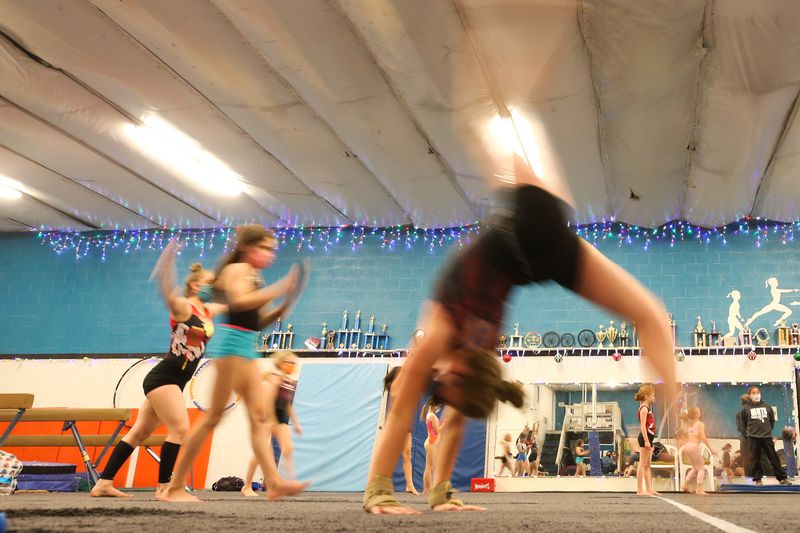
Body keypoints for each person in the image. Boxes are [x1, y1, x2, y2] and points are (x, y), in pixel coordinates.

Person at [362, 155, 676, 514]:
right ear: (461, 372)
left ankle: (508, 129)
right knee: (647, 312)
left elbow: (415, 415)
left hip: (536, 244)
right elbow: (425, 416)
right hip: (533, 243)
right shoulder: (459, 347)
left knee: (648, 311)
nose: (444, 387)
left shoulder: (450, 340)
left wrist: (405, 493)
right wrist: (399, 493)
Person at [159, 225, 308, 502]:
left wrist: (284, 305)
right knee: (214, 416)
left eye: (272, 249)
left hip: (246, 348)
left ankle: (274, 482)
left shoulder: (253, 275)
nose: (270, 254)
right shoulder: (236, 269)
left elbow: (259, 320)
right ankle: (175, 487)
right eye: (265, 248)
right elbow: (239, 302)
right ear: (247, 248)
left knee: (260, 418)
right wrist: (281, 286)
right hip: (231, 346)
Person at [92, 245, 225, 497]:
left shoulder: (208, 311)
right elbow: (168, 293)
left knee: (140, 431)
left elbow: (232, 300)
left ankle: (104, 483)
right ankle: (165, 487)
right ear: (196, 286)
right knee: (180, 429)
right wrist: (166, 267)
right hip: (165, 377)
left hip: (176, 380)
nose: (214, 287)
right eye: (209, 283)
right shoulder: (184, 308)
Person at [242, 351, 303, 496]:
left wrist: (296, 422)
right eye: (289, 363)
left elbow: (287, 404)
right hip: (268, 419)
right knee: (260, 455)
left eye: (294, 363)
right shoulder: (274, 377)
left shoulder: (289, 381)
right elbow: (268, 398)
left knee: (288, 450)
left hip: (280, 421)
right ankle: (247, 486)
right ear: (281, 364)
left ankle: (291, 481)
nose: (292, 366)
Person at [739, 386, 791, 486]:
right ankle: (758, 480)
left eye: (758, 392)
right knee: (755, 459)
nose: (756, 394)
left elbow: (771, 421)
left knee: (774, 458)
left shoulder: (767, 407)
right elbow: (744, 423)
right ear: (750, 395)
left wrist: (767, 431)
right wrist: (751, 433)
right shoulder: (745, 409)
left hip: (766, 437)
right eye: (754, 393)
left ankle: (782, 479)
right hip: (753, 437)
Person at [382, 367, 419, 495]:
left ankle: (409, 485)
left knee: (407, 454)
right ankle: (379, 484)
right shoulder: (394, 388)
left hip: (405, 422)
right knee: (388, 455)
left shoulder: (405, 388)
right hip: (395, 422)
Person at [679, 407, 717, 495]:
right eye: (698, 410)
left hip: (687, 446)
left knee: (695, 468)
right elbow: (703, 437)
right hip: (693, 446)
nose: (700, 411)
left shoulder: (690, 425)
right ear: (697, 414)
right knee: (701, 468)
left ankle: (685, 484)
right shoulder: (700, 424)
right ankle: (699, 489)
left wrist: (684, 450)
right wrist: (711, 448)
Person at [635, 384, 658, 496]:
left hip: (649, 437)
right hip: (645, 438)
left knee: (647, 465)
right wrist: (646, 441)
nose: (654, 397)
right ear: (646, 396)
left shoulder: (646, 408)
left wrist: (650, 440)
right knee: (642, 464)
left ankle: (649, 488)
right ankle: (640, 490)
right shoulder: (644, 408)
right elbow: (643, 426)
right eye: (652, 395)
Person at [422, 400, 445, 494]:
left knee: (428, 467)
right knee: (429, 467)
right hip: (432, 442)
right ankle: (429, 489)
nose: (439, 408)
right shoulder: (432, 416)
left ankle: (426, 489)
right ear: (433, 405)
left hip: (430, 442)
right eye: (438, 406)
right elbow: (437, 431)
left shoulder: (429, 415)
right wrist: (445, 423)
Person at [735, 394, 750, 476]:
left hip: (745, 439)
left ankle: (748, 480)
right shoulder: (752, 412)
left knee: (746, 461)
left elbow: (739, 428)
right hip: (753, 439)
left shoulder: (738, 414)